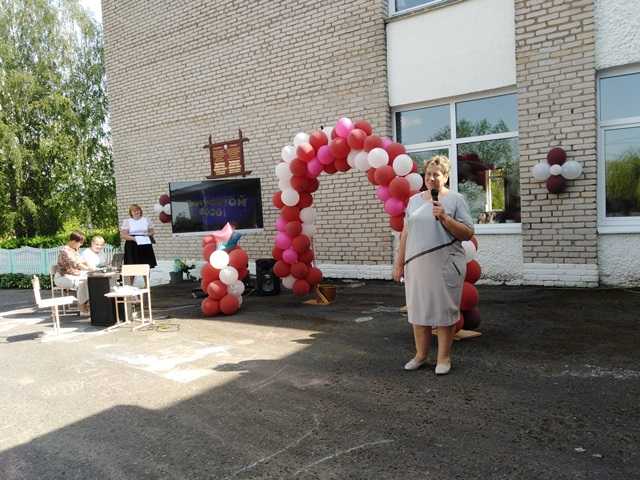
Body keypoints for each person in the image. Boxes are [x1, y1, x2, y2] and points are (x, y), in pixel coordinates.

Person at [393, 156, 474, 375]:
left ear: (445, 177)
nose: (431, 178)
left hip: (445, 265)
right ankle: (421, 355)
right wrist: (399, 263)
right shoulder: (414, 201)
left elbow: (468, 233)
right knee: (418, 311)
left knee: (444, 312)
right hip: (417, 265)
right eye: (428, 174)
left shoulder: (456, 199)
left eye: (436, 174)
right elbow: (405, 233)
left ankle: (443, 358)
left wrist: (445, 218)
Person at [54, 231, 92, 315]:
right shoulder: (65, 251)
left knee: (90, 281)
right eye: (80, 243)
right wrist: (89, 269)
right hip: (62, 277)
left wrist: (90, 266)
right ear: (74, 241)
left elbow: (83, 261)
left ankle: (88, 305)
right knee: (81, 283)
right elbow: (76, 263)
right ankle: (82, 308)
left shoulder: (74, 250)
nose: (81, 245)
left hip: (73, 276)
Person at [120, 204, 157, 271]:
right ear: (131, 213)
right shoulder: (127, 221)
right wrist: (134, 239)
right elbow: (123, 235)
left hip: (145, 244)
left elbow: (152, 231)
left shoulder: (146, 220)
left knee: (146, 265)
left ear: (140, 211)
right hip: (132, 245)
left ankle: (146, 278)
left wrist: (147, 234)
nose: (136, 212)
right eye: (134, 211)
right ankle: (131, 278)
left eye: (137, 210)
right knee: (132, 266)